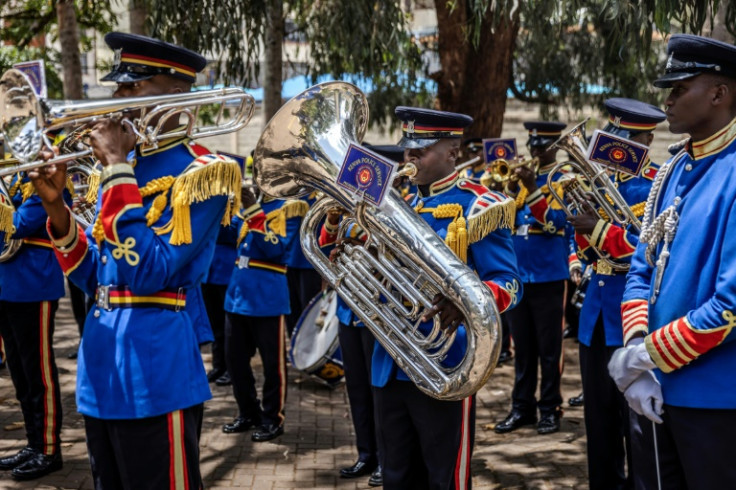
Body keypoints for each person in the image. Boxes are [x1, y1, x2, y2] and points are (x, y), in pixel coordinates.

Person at [28, 32, 241, 488]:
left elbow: (148, 274)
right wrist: (55, 209)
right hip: (101, 369)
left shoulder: (202, 173)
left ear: (177, 93)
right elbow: (96, 278)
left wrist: (116, 169)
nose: (117, 99)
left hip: (156, 370)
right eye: (119, 87)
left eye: (131, 88)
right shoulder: (118, 168)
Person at [367, 107, 521, 489]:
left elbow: (511, 283)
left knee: (443, 479)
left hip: (446, 363)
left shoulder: (480, 206)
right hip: (390, 361)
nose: (410, 157)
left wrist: (469, 302)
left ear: (453, 152)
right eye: (408, 149)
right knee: (397, 477)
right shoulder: (399, 205)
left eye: (421, 149)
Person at [609, 33, 736, 490]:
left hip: (718, 399)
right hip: (656, 389)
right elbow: (643, 269)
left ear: (719, 94)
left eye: (680, 89)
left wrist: (648, 356)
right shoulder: (673, 169)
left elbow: (730, 305)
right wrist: (638, 353)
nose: (667, 101)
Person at [567, 98, 665, 489]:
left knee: (639, 428)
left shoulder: (658, 182)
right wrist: (583, 227)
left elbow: (653, 250)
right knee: (600, 422)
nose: (615, 146)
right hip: (596, 314)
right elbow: (592, 253)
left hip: (635, 313)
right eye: (613, 136)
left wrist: (599, 230)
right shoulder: (603, 183)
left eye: (626, 138)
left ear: (644, 139)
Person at [495, 120, 572, 435]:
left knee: (549, 348)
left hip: (549, 274)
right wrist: (511, 192)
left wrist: (535, 190)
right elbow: (504, 223)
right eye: (533, 146)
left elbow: (556, 224)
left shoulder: (564, 180)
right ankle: (521, 407)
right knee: (522, 347)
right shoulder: (516, 182)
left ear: (554, 148)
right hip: (519, 274)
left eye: (542, 146)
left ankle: (550, 407)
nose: (536, 151)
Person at [0, 171, 72, 480]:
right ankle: (33, 443)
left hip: (34, 287)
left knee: (39, 375)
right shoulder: (15, 184)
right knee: (19, 373)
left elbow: (20, 224)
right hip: (8, 286)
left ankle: (48, 449)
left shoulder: (51, 181)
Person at [222, 191, 290, 442]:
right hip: (237, 296)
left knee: (273, 366)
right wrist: (221, 210)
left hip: (267, 298)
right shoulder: (249, 206)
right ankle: (248, 412)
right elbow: (227, 239)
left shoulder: (290, 208)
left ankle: (273, 418)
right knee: (235, 362)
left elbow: (276, 249)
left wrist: (252, 212)